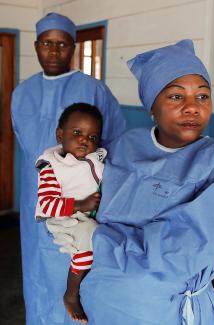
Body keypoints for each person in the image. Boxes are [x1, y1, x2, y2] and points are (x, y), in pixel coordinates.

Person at [54, 39, 214, 324]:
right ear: (151, 107)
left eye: (203, 96)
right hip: (100, 302)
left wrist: (96, 239)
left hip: (163, 311)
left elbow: (180, 251)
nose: (192, 107)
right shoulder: (122, 148)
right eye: (176, 97)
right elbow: (77, 186)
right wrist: (64, 219)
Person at [11, 12, 126, 325]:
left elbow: (114, 144)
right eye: (47, 43)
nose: (53, 51)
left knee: (78, 266)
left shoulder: (93, 90)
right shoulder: (22, 93)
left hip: (83, 205)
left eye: (62, 45)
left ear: (73, 47)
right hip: (36, 199)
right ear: (36, 45)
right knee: (37, 271)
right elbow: (25, 142)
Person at [35, 103, 105, 323]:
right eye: (77, 133)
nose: (85, 140)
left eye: (93, 137)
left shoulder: (96, 158)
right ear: (60, 134)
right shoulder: (53, 167)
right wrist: (80, 205)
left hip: (87, 214)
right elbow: (46, 204)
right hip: (66, 218)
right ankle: (71, 294)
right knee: (88, 241)